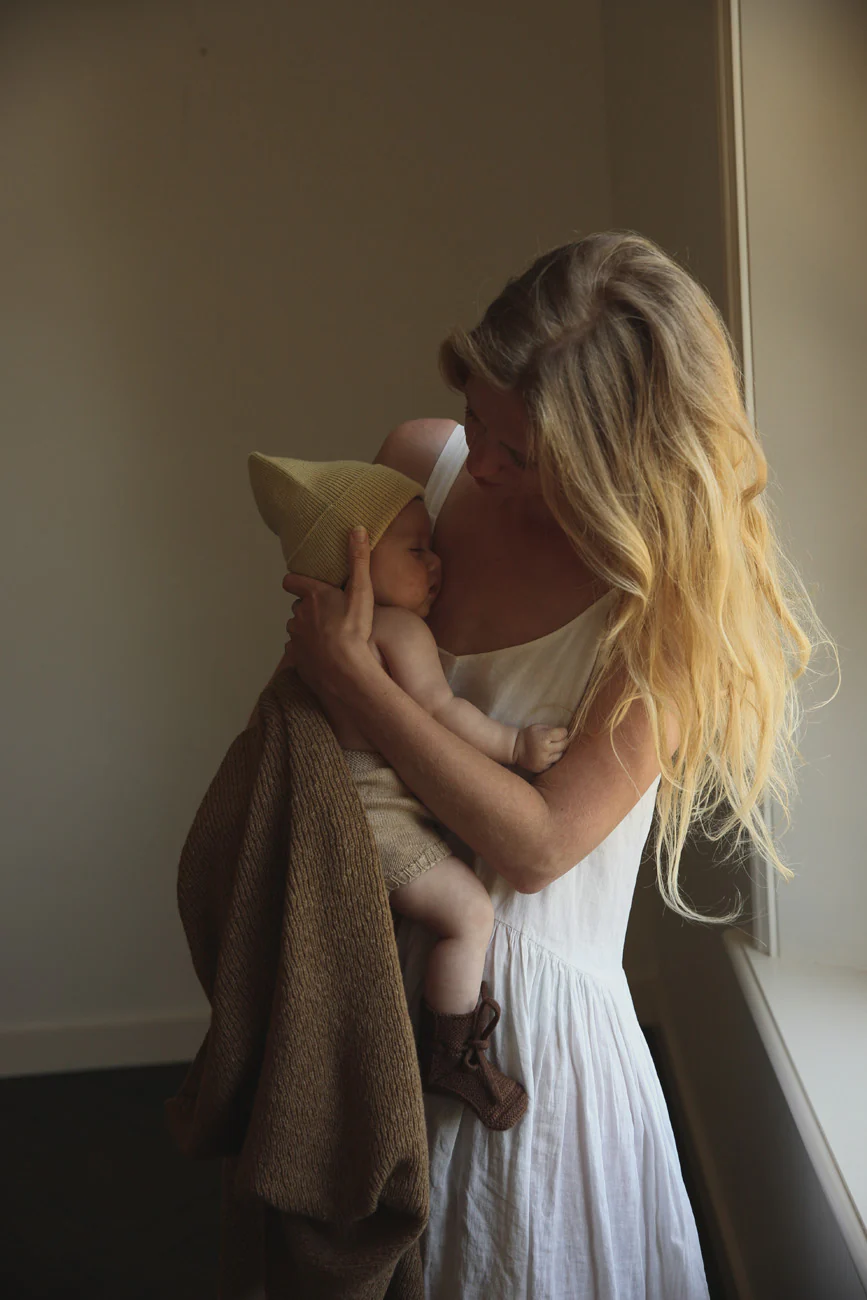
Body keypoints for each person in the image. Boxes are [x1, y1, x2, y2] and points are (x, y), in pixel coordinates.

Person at [278, 231, 826, 1298]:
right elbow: (321, 677)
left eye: (521, 455)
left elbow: (535, 847)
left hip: (522, 1043)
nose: (479, 462)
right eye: (477, 415)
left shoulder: (666, 608)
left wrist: (361, 686)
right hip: (361, 954)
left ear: (617, 459)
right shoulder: (419, 466)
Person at [249, 453, 569, 1130]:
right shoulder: (397, 630)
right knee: (469, 913)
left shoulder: (312, 637)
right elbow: (440, 712)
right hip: (375, 818)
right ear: (355, 560)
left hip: (326, 816)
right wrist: (515, 746)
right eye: (416, 549)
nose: (436, 564)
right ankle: (452, 1052)